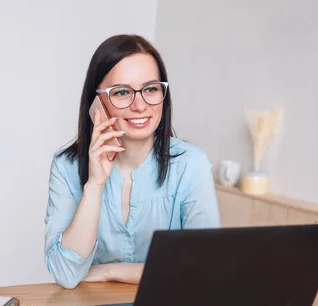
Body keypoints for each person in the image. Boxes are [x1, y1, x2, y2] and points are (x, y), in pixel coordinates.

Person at [44, 34, 221, 289]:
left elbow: (204, 267)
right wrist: (95, 184)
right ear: (97, 102)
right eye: (122, 92)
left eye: (150, 89)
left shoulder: (191, 165)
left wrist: (108, 271)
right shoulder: (66, 166)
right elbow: (66, 274)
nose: (140, 105)